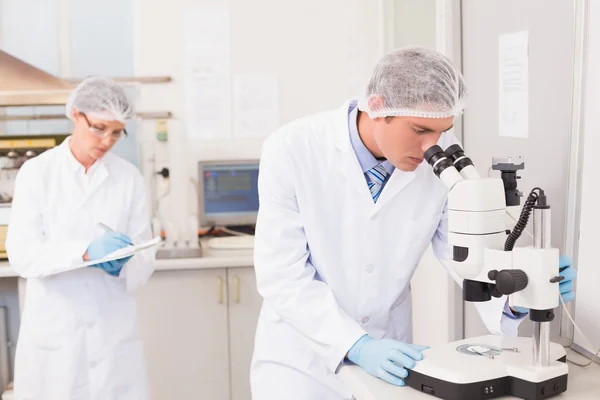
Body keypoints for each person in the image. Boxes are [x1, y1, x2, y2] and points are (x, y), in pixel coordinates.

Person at [250, 47, 577, 399]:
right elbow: (282, 276)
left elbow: (462, 253)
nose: (430, 147)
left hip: (391, 356)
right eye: (419, 130)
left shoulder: (441, 149)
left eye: (441, 131)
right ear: (376, 107)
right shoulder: (292, 149)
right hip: (302, 364)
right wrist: (355, 344)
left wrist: (514, 294)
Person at [6, 77, 156, 400]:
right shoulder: (37, 173)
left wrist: (127, 264)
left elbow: (145, 258)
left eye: (117, 132)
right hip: (56, 344)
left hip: (113, 340)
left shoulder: (128, 178)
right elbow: (22, 253)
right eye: (99, 128)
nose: (107, 141)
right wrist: (86, 253)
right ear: (76, 115)